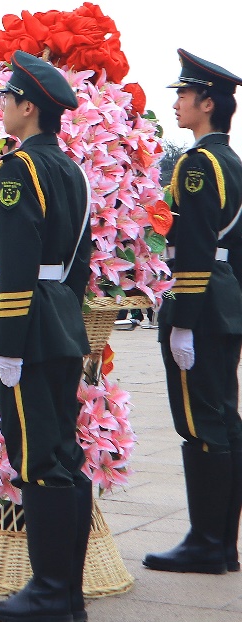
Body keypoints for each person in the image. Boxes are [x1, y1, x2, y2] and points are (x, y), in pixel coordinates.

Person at [0, 51, 93, 622]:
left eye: (8, 97)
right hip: (62, 320)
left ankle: (49, 593)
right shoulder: (72, 170)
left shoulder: (19, 168)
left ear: (28, 108)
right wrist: (59, 312)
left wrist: (10, 344)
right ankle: (66, 593)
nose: (1, 105)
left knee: (40, 458)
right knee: (65, 454)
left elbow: (18, 262)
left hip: (27, 327)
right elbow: (80, 264)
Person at [144, 49, 242, 577]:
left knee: (201, 423)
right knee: (223, 419)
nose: (178, 102)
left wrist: (182, 319)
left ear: (208, 102)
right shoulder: (232, 161)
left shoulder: (198, 163)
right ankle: (222, 544)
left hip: (199, 307)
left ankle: (206, 543)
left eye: (184, 94)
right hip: (224, 302)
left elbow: (198, 245)